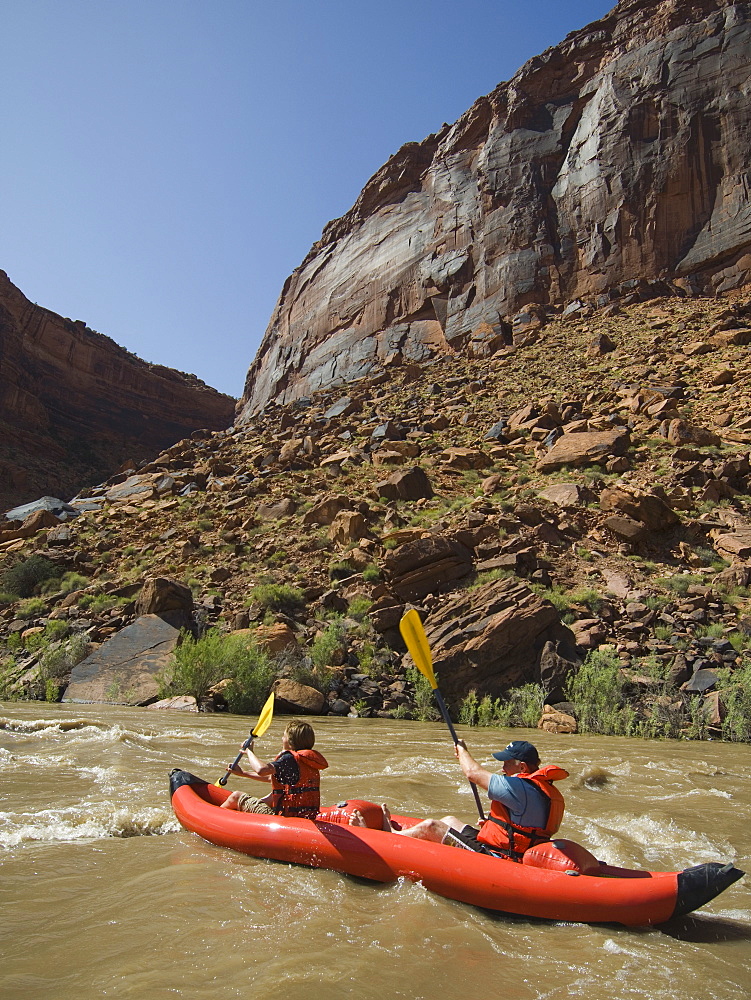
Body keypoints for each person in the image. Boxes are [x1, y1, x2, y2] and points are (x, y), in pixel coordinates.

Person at [353, 739, 568, 861]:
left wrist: (462, 751)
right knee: (450, 820)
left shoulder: (520, 787)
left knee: (431, 826)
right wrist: (493, 827)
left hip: (500, 858)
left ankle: (391, 835)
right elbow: (526, 826)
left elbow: (473, 773)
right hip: (506, 848)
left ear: (522, 767)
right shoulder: (543, 790)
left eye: (507, 763)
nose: (502, 767)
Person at [219, 720, 328, 819]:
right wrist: (244, 773)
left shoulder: (289, 758)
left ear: (290, 741)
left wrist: (249, 752)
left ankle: (216, 818)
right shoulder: (306, 760)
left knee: (236, 796)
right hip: (304, 817)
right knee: (267, 799)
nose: (282, 739)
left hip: (286, 819)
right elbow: (271, 778)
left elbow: (261, 770)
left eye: (284, 736)